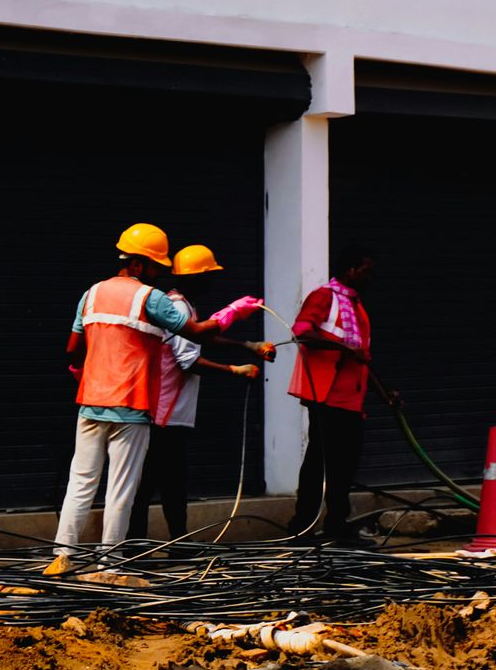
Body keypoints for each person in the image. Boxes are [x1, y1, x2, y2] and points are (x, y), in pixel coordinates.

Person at [54, 224, 262, 553]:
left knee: (80, 483)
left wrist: (85, 372)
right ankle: (111, 564)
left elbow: (72, 351)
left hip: (91, 402)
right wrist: (233, 313)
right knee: (121, 489)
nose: (159, 273)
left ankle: (62, 557)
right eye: (155, 266)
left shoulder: (90, 294)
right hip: (132, 405)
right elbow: (195, 332)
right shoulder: (150, 298)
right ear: (136, 264)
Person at [127, 245, 276, 542]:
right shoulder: (180, 307)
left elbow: (200, 336)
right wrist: (235, 370)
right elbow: (190, 361)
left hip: (169, 414)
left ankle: (173, 542)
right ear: (196, 277)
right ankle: (139, 546)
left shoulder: (181, 305)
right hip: (165, 416)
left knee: (170, 482)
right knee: (156, 484)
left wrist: (247, 346)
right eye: (209, 275)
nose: (212, 282)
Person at [284, 246, 377, 540]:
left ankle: (336, 524)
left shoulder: (355, 305)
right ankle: (303, 525)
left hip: (351, 398)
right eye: (365, 271)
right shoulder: (324, 297)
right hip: (326, 396)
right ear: (350, 269)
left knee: (345, 465)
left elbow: (361, 358)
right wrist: (342, 347)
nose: (369, 277)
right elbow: (301, 331)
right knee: (319, 463)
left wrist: (384, 392)